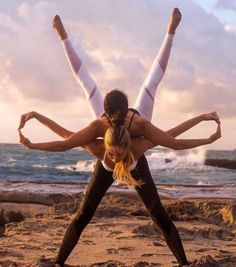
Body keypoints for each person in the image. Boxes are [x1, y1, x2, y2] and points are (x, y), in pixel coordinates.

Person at [19, 8, 221, 267]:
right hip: (107, 151)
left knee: (158, 215)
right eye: (111, 152)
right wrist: (35, 129)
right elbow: (67, 140)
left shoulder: (139, 129)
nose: (114, 156)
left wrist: (205, 131)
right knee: (83, 215)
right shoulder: (99, 131)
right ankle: (58, 263)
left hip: (134, 161)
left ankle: (184, 263)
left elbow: (173, 139)